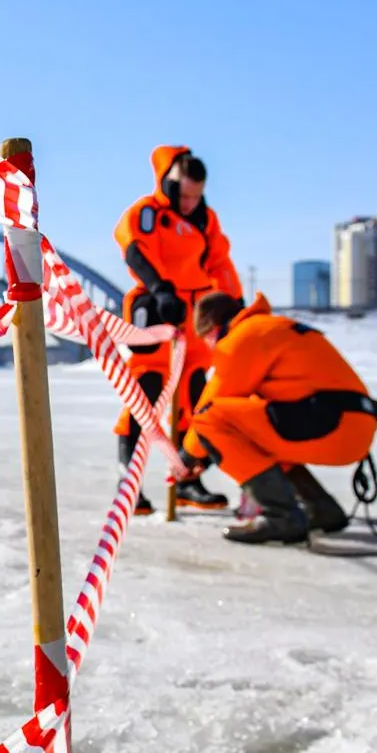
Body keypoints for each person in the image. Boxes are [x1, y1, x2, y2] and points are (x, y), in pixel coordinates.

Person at [182, 291, 377, 544]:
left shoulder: (242, 337)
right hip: (351, 425)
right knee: (255, 427)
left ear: (213, 329)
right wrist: (204, 455)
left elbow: (209, 408)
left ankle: (281, 515)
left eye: (206, 341)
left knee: (209, 419)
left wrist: (187, 457)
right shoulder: (272, 327)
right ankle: (320, 508)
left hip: (329, 422)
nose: (210, 350)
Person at [112, 145, 243, 515]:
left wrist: (236, 306)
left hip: (196, 313)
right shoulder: (148, 212)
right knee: (146, 391)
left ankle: (187, 480)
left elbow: (220, 264)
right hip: (157, 308)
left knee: (195, 394)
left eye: (196, 197)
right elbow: (134, 249)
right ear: (168, 183)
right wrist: (160, 289)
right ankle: (128, 481)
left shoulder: (206, 219)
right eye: (184, 196)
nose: (189, 204)